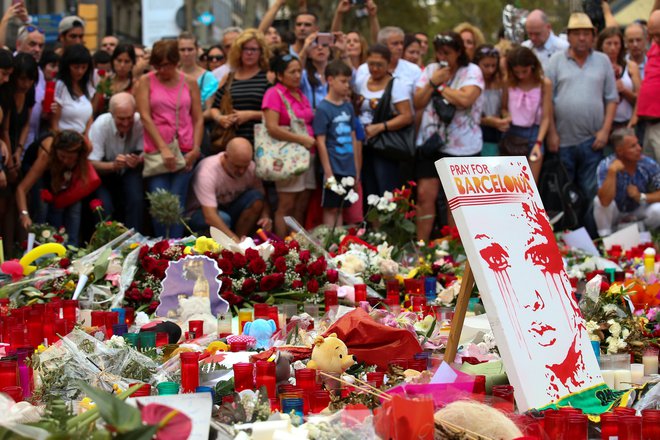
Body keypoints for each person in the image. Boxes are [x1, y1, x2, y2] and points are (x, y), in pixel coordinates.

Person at [545, 13, 618, 235]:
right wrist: (552, 134)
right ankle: (568, 239)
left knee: (589, 191)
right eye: (577, 34)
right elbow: (547, 100)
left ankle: (591, 239)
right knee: (565, 194)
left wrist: (605, 131)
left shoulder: (603, 60)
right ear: (568, 36)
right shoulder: (556, 60)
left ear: (593, 36)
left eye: (586, 33)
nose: (582, 38)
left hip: (592, 140)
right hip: (563, 140)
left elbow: (611, 99)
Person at [414, 32, 484, 241]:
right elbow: (417, 101)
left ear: (459, 52)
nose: (442, 56)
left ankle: (453, 250)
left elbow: (465, 99)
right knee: (425, 195)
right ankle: (421, 247)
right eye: (439, 52)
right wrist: (431, 83)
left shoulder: (472, 71)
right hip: (430, 143)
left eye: (447, 53)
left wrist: (440, 86)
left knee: (457, 202)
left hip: (463, 146)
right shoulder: (431, 70)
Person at [135, 39, 203, 238]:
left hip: (185, 147)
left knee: (177, 202)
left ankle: (176, 248)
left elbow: (198, 118)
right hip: (157, 149)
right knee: (160, 202)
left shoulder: (189, 82)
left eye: (166, 65)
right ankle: (162, 248)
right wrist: (163, 148)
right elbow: (145, 117)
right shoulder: (146, 81)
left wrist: (196, 149)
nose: (161, 70)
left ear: (176, 62)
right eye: (157, 65)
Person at [262, 54, 316, 238]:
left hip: (308, 154)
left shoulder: (300, 94)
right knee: (286, 205)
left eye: (299, 71)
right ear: (279, 75)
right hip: (288, 157)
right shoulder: (274, 94)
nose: (296, 75)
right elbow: (272, 127)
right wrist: (302, 140)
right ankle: (282, 247)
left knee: (301, 204)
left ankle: (297, 245)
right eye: (291, 71)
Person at [356, 44, 413, 199]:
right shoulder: (361, 81)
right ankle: (372, 223)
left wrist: (381, 127)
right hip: (363, 144)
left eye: (379, 65)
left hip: (384, 146)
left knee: (386, 190)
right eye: (371, 64)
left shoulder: (396, 85)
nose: (374, 69)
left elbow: (407, 116)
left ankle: (388, 223)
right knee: (369, 191)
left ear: (389, 64)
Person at [16, 130, 92, 245]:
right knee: (42, 207)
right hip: (36, 171)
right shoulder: (46, 155)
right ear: (56, 151)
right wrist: (24, 214)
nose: (66, 160)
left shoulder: (85, 148)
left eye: (71, 158)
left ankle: (70, 248)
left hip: (60, 176)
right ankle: (38, 246)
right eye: (62, 156)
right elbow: (21, 189)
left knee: (73, 206)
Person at [188, 137, 271, 241]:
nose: (242, 171)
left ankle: (242, 240)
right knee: (223, 218)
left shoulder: (251, 167)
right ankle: (226, 247)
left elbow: (262, 195)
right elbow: (210, 216)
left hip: (228, 208)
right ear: (226, 156)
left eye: (245, 166)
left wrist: (265, 215)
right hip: (200, 213)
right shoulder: (207, 172)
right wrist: (234, 241)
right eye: (237, 166)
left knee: (256, 198)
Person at [313, 60, 360, 226]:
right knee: (331, 207)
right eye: (343, 81)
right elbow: (320, 141)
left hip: (348, 166)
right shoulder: (323, 108)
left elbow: (354, 138)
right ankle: (329, 245)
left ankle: (338, 245)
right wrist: (328, 172)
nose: (347, 85)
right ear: (330, 80)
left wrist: (356, 168)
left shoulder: (348, 107)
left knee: (341, 207)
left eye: (349, 81)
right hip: (333, 166)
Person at [88, 92, 144, 231]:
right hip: (105, 171)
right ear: (111, 114)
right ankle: (105, 242)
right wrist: (113, 166)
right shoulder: (100, 125)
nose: (126, 123)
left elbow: (146, 152)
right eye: (121, 119)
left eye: (129, 118)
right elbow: (91, 163)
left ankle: (134, 241)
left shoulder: (139, 122)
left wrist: (137, 159)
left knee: (136, 199)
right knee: (104, 206)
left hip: (130, 170)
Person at [210, 29, 271, 149]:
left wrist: (251, 115)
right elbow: (214, 108)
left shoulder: (268, 77)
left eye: (253, 49)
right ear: (238, 51)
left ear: (261, 52)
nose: (249, 53)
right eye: (245, 49)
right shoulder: (229, 77)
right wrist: (221, 118)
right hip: (231, 142)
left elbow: (279, 113)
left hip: (262, 144)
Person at [594, 128, 660, 236]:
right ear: (620, 151)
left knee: (659, 209)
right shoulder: (606, 165)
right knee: (597, 201)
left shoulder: (647, 163)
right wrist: (611, 173)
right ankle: (605, 238)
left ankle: (645, 234)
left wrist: (642, 197)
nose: (639, 148)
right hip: (616, 213)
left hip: (638, 210)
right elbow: (604, 202)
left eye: (638, 144)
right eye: (633, 146)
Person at [501, 46, 553, 182]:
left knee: (530, 185)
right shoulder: (508, 82)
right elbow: (504, 107)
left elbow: (546, 117)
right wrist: (507, 117)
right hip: (513, 133)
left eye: (525, 71)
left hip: (534, 134)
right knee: (511, 183)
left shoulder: (543, 84)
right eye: (517, 72)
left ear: (533, 66)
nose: (521, 76)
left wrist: (539, 142)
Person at [355, 27, 422, 98]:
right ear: (383, 45)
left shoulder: (414, 70)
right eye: (395, 44)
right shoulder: (363, 69)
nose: (400, 47)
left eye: (402, 43)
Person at [597, 27, 640, 131]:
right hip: (601, 123)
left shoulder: (630, 66)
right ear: (601, 45)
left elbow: (640, 98)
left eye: (616, 44)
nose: (613, 48)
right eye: (609, 43)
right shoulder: (593, 68)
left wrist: (624, 90)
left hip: (626, 122)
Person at [633, 8, 660, 161]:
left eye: (659, 34)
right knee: (651, 178)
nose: (655, 39)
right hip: (648, 124)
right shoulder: (655, 46)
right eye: (652, 34)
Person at [52, 44, 95, 136]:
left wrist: (86, 138)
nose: (80, 71)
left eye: (84, 67)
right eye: (76, 67)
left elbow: (89, 117)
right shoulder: (60, 86)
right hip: (64, 140)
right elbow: (54, 123)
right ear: (67, 66)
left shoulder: (87, 85)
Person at [15, 24, 46, 147]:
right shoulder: (8, 68)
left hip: (31, 143)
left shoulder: (40, 73)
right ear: (18, 45)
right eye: (32, 44)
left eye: (41, 46)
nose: (37, 50)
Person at [474, 45, 506, 157]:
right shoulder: (472, 82)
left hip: (496, 133)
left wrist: (505, 119)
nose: (490, 70)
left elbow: (504, 107)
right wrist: (486, 121)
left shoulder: (500, 82)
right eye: (486, 66)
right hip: (477, 131)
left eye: (493, 66)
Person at [178, 32, 219, 112]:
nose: (186, 53)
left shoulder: (208, 77)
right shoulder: (171, 75)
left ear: (197, 50)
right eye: (182, 50)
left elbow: (209, 111)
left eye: (190, 49)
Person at [92, 44, 136, 116]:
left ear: (132, 63)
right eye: (119, 60)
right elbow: (94, 109)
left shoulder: (136, 84)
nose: (122, 65)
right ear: (112, 61)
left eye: (127, 61)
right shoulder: (105, 81)